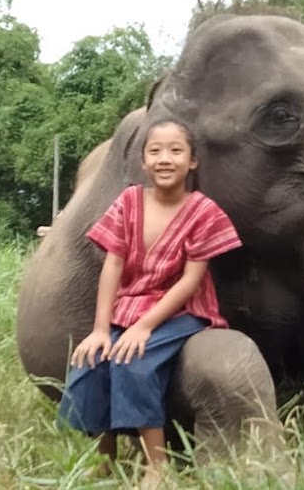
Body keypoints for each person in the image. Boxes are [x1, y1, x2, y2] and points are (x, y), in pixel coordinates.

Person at [58, 117, 242, 485]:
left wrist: (143, 328)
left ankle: (157, 465)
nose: (164, 159)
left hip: (183, 310)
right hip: (131, 304)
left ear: (192, 161)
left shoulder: (203, 211)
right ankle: (106, 455)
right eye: (155, 151)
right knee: (94, 361)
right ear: (143, 162)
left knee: (131, 362)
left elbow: (192, 280)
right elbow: (113, 264)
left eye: (176, 150)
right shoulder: (128, 202)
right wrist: (99, 330)